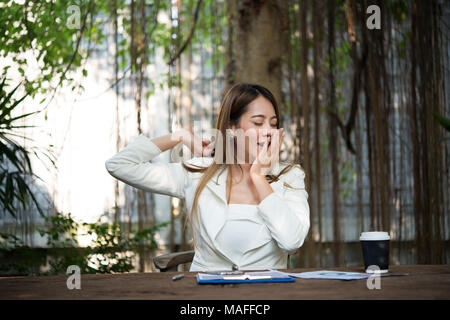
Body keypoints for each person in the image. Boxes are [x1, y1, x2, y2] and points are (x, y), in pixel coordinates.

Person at [105, 82, 310, 271]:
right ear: (232, 128)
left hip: (267, 294)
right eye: (258, 123)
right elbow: (120, 165)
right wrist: (180, 136)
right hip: (204, 294)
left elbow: (292, 242)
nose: (268, 131)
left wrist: (258, 177)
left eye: (273, 124)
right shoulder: (198, 173)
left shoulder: (290, 176)